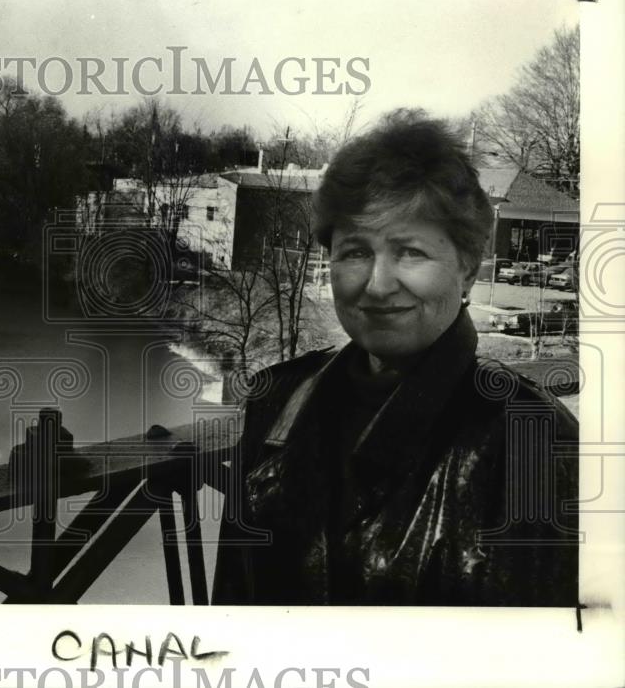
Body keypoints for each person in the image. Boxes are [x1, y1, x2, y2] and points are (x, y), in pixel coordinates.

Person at [212, 113, 578, 606]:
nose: (378, 285)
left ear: (467, 269)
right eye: (355, 252)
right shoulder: (275, 401)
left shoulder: (533, 441)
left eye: (410, 252)